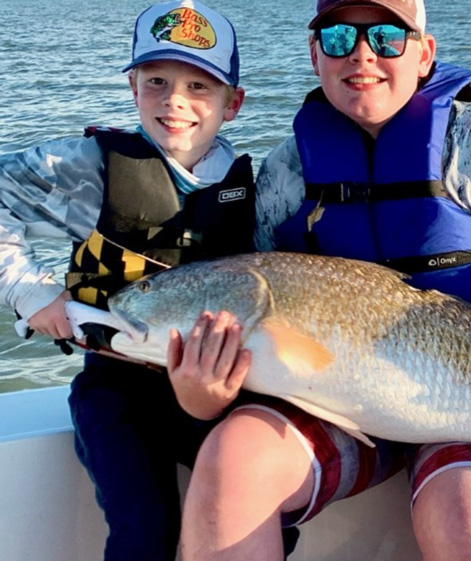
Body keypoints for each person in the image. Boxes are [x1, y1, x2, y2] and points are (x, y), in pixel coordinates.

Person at [170, 1, 471, 559]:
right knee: (230, 459)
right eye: (339, 36)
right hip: (332, 404)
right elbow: (267, 318)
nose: (362, 53)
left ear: (424, 53)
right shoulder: (285, 172)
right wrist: (206, 395)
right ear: (314, 53)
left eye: (387, 36)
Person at [0, 2, 261, 559]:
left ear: (233, 104)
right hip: (116, 387)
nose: (175, 101)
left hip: (216, 390)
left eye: (200, 86)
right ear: (132, 85)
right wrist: (31, 290)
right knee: (145, 530)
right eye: (157, 81)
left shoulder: (251, 185)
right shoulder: (90, 166)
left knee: (256, 513)